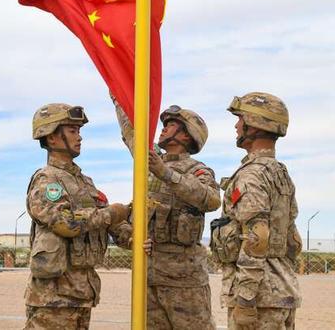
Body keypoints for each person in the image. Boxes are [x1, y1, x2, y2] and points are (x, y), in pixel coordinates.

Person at [112, 97, 221, 329]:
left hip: (185, 282)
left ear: (186, 136)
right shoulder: (150, 162)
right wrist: (118, 97)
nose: (162, 129)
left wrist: (166, 174)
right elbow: (132, 131)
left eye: (170, 125)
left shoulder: (197, 170)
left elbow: (211, 199)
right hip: (150, 278)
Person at [24, 103, 130, 330]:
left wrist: (133, 222)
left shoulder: (85, 183)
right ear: (52, 138)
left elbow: (112, 225)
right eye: (72, 131)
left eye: (79, 131)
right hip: (52, 298)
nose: (79, 137)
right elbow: (66, 224)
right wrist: (113, 213)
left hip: (81, 294)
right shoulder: (47, 180)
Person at [211, 92, 301, 329]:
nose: (236, 125)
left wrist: (245, 299)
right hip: (281, 291)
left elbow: (256, 238)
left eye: (241, 119)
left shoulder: (251, 175)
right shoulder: (279, 173)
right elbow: (293, 240)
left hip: (259, 298)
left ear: (255, 124)